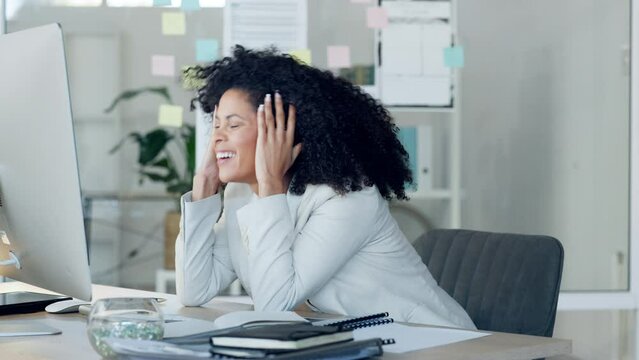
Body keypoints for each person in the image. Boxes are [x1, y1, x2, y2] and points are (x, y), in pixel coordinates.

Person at [175, 46, 475, 329]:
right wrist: (202, 192)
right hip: (361, 343)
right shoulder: (241, 195)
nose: (216, 138)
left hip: (439, 343)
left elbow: (274, 305)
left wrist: (270, 185)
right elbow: (194, 289)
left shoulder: (348, 196)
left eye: (233, 125)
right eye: (215, 125)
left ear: (283, 131)